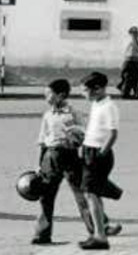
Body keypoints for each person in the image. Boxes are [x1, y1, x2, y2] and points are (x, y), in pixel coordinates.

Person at [32, 78, 94, 245]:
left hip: (70, 156)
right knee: (46, 196)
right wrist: (40, 164)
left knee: (81, 194)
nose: (46, 97)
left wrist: (76, 137)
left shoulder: (73, 113)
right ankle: (42, 234)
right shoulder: (47, 115)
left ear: (60, 95)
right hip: (51, 156)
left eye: (49, 94)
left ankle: (96, 230)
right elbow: (43, 140)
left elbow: (86, 132)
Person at [78, 71, 124, 250]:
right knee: (92, 193)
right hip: (90, 150)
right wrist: (84, 145)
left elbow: (113, 133)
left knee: (91, 194)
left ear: (97, 89)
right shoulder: (96, 104)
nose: (83, 94)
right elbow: (92, 128)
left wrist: (101, 153)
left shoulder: (109, 106)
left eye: (85, 91)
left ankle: (100, 237)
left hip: (99, 154)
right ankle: (99, 232)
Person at [119, 26, 138, 99]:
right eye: (134, 32)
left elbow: (133, 51)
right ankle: (125, 93)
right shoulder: (130, 41)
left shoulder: (135, 41)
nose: (136, 34)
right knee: (129, 78)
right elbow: (130, 53)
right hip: (130, 61)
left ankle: (137, 94)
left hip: (134, 61)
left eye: (137, 32)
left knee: (136, 78)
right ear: (130, 33)